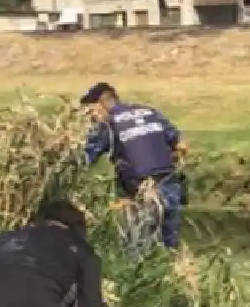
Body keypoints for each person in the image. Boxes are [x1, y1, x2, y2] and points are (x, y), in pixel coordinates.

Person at [80, 82, 188, 249]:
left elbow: (83, 159)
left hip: (141, 192)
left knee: (137, 248)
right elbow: (182, 146)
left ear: (101, 104)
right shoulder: (150, 112)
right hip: (170, 184)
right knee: (171, 246)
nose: (91, 118)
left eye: (91, 112)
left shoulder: (108, 123)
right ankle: (177, 271)